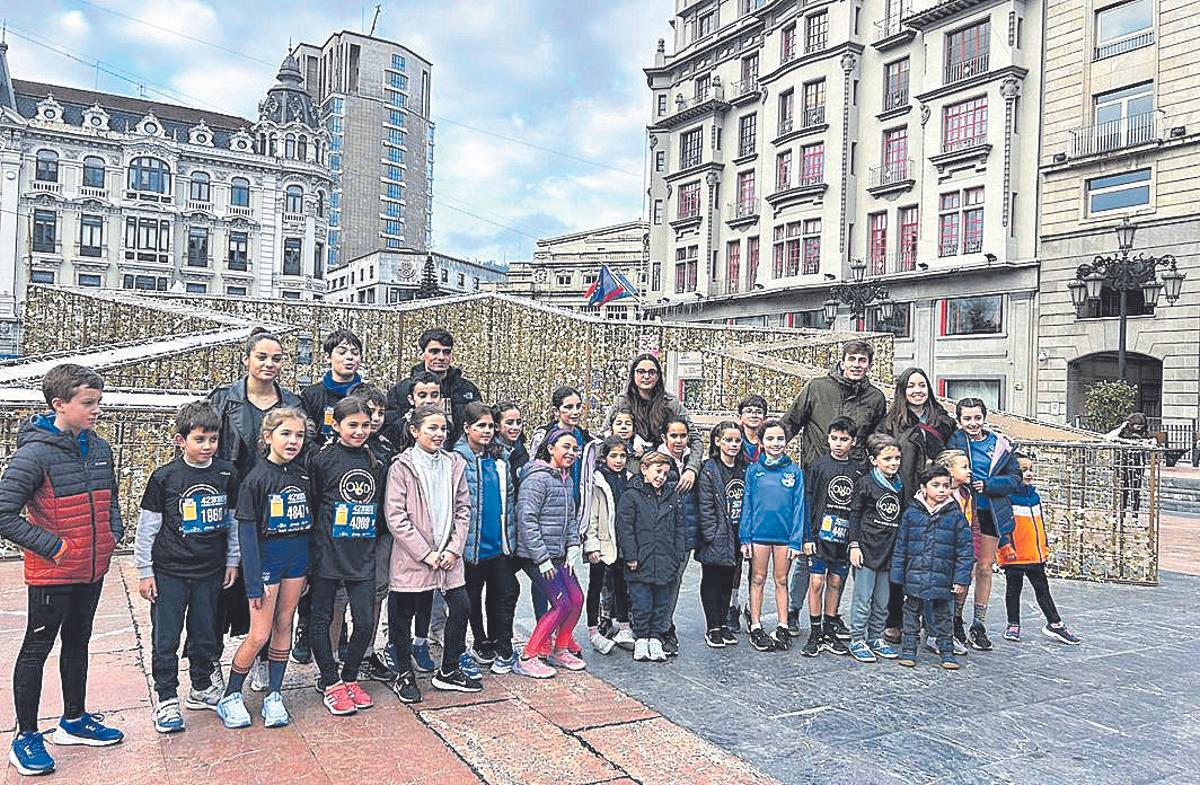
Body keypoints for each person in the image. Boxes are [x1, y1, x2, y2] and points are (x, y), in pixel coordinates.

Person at [0, 364, 124, 775]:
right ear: (59, 404)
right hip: (53, 571)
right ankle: (26, 737)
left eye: (98, 402)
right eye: (88, 403)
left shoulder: (100, 447)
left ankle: (73, 720)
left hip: (91, 567)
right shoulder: (34, 453)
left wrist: (111, 534)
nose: (96, 410)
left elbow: (111, 497)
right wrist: (54, 546)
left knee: (78, 641)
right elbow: (4, 513)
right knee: (36, 649)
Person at [135, 401, 240, 733]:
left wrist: (231, 561)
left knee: (204, 633)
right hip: (170, 572)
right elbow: (147, 527)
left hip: (210, 570)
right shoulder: (165, 477)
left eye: (213, 439)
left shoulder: (226, 473)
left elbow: (233, 523)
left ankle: (201, 685)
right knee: (166, 637)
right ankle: (166, 697)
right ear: (181, 440)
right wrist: (145, 570)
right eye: (200, 439)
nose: (207, 446)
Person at [207, 329, 301, 682]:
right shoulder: (223, 399)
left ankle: (262, 658)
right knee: (221, 586)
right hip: (230, 503)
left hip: (273, 507)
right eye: (262, 357)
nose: (269, 364)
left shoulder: (291, 402)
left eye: (276, 358)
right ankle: (209, 662)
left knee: (269, 588)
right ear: (247, 359)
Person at [217, 407, 311, 730]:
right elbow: (246, 532)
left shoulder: (302, 476)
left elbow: (307, 527)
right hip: (267, 565)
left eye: (299, 435)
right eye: (286, 433)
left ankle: (274, 693)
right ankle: (231, 695)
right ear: (268, 437)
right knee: (259, 633)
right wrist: (253, 581)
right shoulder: (255, 479)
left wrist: (307, 570)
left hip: (296, 564)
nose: (293, 441)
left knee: (285, 623)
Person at [383, 405, 480, 704]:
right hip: (413, 557)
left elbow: (464, 509)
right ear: (414, 431)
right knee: (404, 615)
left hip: (448, 556)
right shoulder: (402, 466)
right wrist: (425, 554)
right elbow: (395, 516)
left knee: (461, 606)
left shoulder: (454, 464)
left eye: (442, 429)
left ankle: (449, 668)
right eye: (432, 429)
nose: (439, 434)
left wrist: (453, 548)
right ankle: (403, 674)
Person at [308, 397, 385, 716]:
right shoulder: (322, 459)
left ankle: (350, 676)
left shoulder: (377, 459)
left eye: (365, 425)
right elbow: (313, 501)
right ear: (336, 425)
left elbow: (379, 505)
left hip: (362, 553)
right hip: (328, 551)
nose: (359, 431)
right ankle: (330, 680)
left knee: (365, 621)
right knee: (321, 619)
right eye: (352, 425)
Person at [875, 367, 957, 644]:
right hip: (903, 497)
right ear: (902, 390)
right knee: (901, 561)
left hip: (937, 500)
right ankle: (895, 619)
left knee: (934, 561)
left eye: (922, 385)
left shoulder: (943, 422)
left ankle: (934, 622)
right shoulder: (891, 423)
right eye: (911, 386)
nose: (917, 391)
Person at [452, 402, 521, 675]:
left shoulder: (501, 457)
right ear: (467, 428)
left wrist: (511, 540)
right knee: (471, 598)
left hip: (498, 544)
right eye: (480, 425)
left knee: (506, 593)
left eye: (491, 426)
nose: (486, 431)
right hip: (470, 547)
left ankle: (503, 644)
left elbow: (510, 500)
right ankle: (481, 641)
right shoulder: (457, 459)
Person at [948, 398, 1021, 653]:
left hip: (989, 510)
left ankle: (979, 624)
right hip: (962, 509)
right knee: (963, 568)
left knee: (985, 567)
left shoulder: (1000, 444)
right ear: (959, 420)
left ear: (984, 417)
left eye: (977, 418)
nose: (973, 423)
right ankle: (955, 619)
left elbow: (1015, 478)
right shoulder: (954, 440)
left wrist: (989, 486)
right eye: (967, 418)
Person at [514, 428, 586, 678]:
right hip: (537, 556)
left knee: (576, 599)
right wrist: (542, 559)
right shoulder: (537, 478)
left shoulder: (566, 478)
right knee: (561, 603)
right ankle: (528, 656)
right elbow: (526, 518)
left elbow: (570, 517)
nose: (571, 452)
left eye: (574, 448)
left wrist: (573, 545)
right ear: (551, 448)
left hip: (559, 553)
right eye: (565, 447)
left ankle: (560, 648)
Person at [890, 466, 974, 670]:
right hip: (915, 576)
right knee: (910, 615)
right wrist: (897, 576)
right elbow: (901, 546)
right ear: (923, 488)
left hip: (942, 577)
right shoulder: (911, 514)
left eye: (946, 486)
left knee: (944, 617)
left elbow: (965, 550)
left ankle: (947, 652)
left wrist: (961, 579)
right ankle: (908, 651)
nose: (941, 490)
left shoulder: (955, 515)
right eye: (935, 486)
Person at [346, 384, 403, 682]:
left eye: (381, 412)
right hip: (347, 536)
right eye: (370, 411)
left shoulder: (385, 448)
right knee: (340, 598)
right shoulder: (336, 450)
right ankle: (334, 657)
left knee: (377, 592)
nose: (377, 418)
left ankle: (366, 652)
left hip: (380, 531)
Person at [798, 417, 864, 658]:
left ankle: (829, 628)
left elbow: (859, 506)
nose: (838, 443)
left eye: (844, 439)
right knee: (816, 582)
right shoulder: (818, 466)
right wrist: (807, 536)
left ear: (853, 441)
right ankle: (815, 631)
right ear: (828, 439)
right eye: (834, 438)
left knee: (836, 583)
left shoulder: (858, 469)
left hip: (844, 537)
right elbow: (807, 501)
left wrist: (855, 540)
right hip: (819, 536)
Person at [1000, 455, 1082, 645]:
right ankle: (1013, 623)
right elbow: (1002, 525)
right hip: (1014, 555)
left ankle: (1055, 623)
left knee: (1042, 588)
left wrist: (1043, 546)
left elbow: (1039, 524)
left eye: (1030, 469)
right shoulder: (1007, 498)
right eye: (1023, 470)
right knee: (1014, 588)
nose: (1028, 473)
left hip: (1034, 554)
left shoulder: (1034, 497)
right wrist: (1005, 546)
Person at [739, 420, 806, 652]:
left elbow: (799, 507)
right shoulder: (754, 471)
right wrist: (745, 538)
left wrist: (796, 540)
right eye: (770, 438)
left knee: (781, 581)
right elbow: (747, 505)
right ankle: (756, 625)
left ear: (786, 442)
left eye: (780, 439)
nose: (775, 443)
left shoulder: (794, 472)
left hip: (784, 538)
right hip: (758, 536)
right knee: (757, 579)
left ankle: (783, 625)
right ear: (761, 441)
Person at [615, 452, 685, 663]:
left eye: (665, 473)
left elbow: (679, 527)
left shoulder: (672, 496)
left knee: (661, 603)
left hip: (665, 560)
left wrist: (677, 555)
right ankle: (641, 638)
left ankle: (655, 638)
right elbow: (624, 528)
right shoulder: (631, 495)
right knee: (641, 603)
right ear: (644, 469)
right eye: (657, 471)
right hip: (641, 560)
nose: (661, 477)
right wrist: (631, 555)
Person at [845, 434, 905, 663]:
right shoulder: (866, 483)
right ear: (874, 460)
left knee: (883, 599)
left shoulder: (899, 484)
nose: (893, 463)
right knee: (863, 598)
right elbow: (855, 515)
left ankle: (876, 636)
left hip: (888, 550)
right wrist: (854, 545)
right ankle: (857, 638)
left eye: (897, 458)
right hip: (866, 550)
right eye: (887, 458)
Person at [782, 340, 887, 466]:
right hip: (817, 466)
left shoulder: (875, 397)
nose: (856, 365)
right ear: (843, 364)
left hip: (855, 469)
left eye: (862, 360)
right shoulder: (817, 387)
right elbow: (790, 423)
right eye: (852, 359)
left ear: (869, 366)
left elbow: (876, 439)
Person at [606, 353, 703, 490]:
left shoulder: (671, 403)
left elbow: (695, 439)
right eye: (641, 372)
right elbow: (605, 436)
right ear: (633, 375)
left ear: (658, 376)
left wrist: (691, 469)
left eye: (651, 372)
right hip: (628, 471)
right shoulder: (622, 402)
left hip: (664, 474)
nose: (646, 376)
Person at [384, 328, 481, 447]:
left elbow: (480, 423)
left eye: (446, 352)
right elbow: (390, 429)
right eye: (434, 351)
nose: (441, 357)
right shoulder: (401, 390)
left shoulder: (467, 389)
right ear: (422, 354)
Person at [695, 421, 745, 649]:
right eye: (728, 440)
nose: (733, 445)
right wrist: (711, 534)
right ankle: (712, 625)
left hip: (736, 532)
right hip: (716, 534)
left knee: (729, 579)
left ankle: (724, 622)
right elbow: (705, 505)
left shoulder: (744, 468)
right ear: (717, 441)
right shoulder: (709, 469)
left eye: (737, 440)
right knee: (712, 579)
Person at [655, 416, 701, 656]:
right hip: (661, 535)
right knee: (659, 579)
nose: (679, 440)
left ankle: (665, 626)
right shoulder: (656, 462)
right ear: (664, 438)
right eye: (674, 436)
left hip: (685, 533)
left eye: (683, 436)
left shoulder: (693, 463)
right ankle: (653, 626)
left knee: (675, 580)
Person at [585, 436, 632, 654]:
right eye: (614, 455)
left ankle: (624, 626)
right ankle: (593, 630)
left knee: (621, 586)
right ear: (604, 458)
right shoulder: (598, 481)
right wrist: (592, 545)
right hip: (603, 544)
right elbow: (593, 515)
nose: (619, 460)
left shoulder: (630, 479)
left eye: (622, 455)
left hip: (621, 543)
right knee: (596, 587)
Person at [729, 394, 768, 633]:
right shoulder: (735, 441)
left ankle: (754, 609)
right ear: (740, 416)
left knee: (758, 566)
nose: (754, 414)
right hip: (737, 507)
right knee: (734, 563)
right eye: (749, 410)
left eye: (758, 410)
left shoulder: (769, 441)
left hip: (761, 511)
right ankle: (732, 605)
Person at [935, 449, 975, 656]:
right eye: (964, 467)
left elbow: (972, 523)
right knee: (942, 594)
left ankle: (947, 630)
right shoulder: (941, 496)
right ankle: (938, 634)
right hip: (944, 552)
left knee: (956, 592)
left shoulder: (967, 494)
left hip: (961, 550)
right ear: (949, 470)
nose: (970, 471)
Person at [299, 329, 364, 450]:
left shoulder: (367, 394)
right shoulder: (311, 395)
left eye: (355, 353)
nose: (349, 357)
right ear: (327, 358)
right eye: (342, 352)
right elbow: (306, 435)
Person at [1105, 413, 1153, 513]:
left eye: (1141, 426)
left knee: (1136, 490)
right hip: (1124, 462)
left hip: (1137, 463)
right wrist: (1122, 427)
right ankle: (1122, 512)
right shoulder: (1123, 431)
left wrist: (1149, 442)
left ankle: (1135, 514)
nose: (1139, 428)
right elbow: (1108, 437)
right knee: (1124, 488)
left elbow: (1151, 442)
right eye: (1137, 426)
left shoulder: (1143, 433)